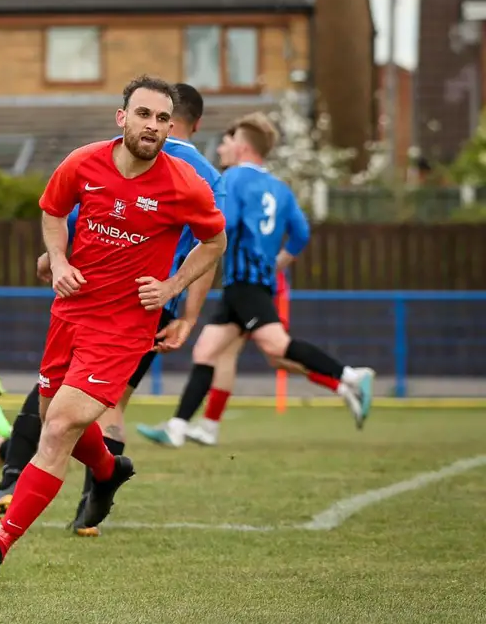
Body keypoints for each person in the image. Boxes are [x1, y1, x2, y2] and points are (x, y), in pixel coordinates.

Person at [0, 75, 228, 591]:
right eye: (143, 114)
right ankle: (108, 472)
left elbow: (214, 242)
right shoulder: (83, 162)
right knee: (52, 420)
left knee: (58, 427)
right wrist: (58, 259)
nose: (152, 126)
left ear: (171, 128)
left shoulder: (185, 183)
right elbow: (52, 210)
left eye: (161, 119)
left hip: (125, 328)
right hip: (69, 315)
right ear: (122, 118)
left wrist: (174, 285)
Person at [136, 113, 375, 450]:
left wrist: (199, 240)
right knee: (206, 351)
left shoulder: (233, 179)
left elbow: (224, 224)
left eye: (230, 141)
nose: (225, 146)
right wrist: (275, 263)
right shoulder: (280, 189)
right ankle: (178, 427)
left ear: (244, 147)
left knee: (277, 348)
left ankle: (351, 376)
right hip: (248, 284)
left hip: (246, 284)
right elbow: (301, 234)